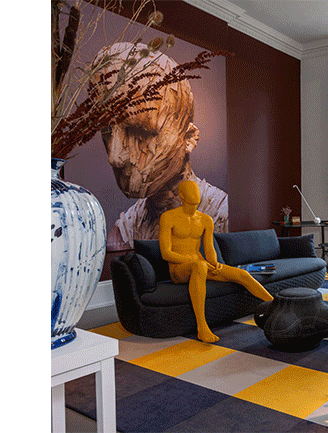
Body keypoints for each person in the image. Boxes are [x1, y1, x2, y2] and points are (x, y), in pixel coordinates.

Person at [89, 42, 228, 251]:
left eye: (141, 132)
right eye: (106, 130)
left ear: (189, 138)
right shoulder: (125, 229)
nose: (114, 157)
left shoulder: (221, 216)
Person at [159, 180, 272, 343]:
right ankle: (202, 327)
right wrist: (194, 261)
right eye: (190, 189)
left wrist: (214, 262)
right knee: (199, 265)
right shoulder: (168, 217)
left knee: (242, 274)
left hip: (201, 265)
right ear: (182, 195)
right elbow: (166, 254)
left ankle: (276, 304)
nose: (195, 192)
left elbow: (209, 248)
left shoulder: (206, 220)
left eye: (196, 189)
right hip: (178, 270)